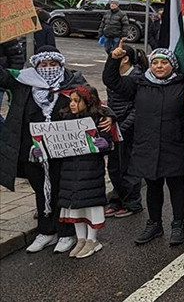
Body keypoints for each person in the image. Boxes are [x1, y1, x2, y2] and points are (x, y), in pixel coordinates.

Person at [0, 46, 100, 254]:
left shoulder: (74, 83)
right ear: (36, 66)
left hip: (64, 150)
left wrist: (108, 117)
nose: (48, 68)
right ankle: (46, 231)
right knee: (40, 189)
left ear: (60, 64)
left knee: (61, 190)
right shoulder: (23, 82)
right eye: (43, 65)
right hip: (33, 151)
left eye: (52, 64)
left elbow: (94, 104)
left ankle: (66, 232)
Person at [104, 46, 184, 247]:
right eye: (155, 62)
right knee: (153, 186)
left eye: (164, 62)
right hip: (147, 144)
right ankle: (154, 224)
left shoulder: (180, 84)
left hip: (173, 143)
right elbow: (112, 81)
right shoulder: (139, 83)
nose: (159, 66)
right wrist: (113, 60)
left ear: (172, 65)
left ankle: (178, 224)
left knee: (176, 186)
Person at [57, 85, 114, 259]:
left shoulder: (98, 119)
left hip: (90, 170)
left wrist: (104, 143)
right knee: (75, 207)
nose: (72, 104)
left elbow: (108, 140)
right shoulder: (65, 120)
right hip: (69, 171)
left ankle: (92, 240)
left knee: (90, 205)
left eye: (77, 101)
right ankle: (81, 239)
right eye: (71, 101)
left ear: (86, 102)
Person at [102, 42, 145, 218]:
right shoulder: (118, 75)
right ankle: (116, 199)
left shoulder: (135, 77)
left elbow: (137, 107)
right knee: (114, 166)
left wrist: (124, 126)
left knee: (129, 167)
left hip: (129, 128)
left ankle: (132, 202)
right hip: (115, 126)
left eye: (117, 56)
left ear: (125, 59)